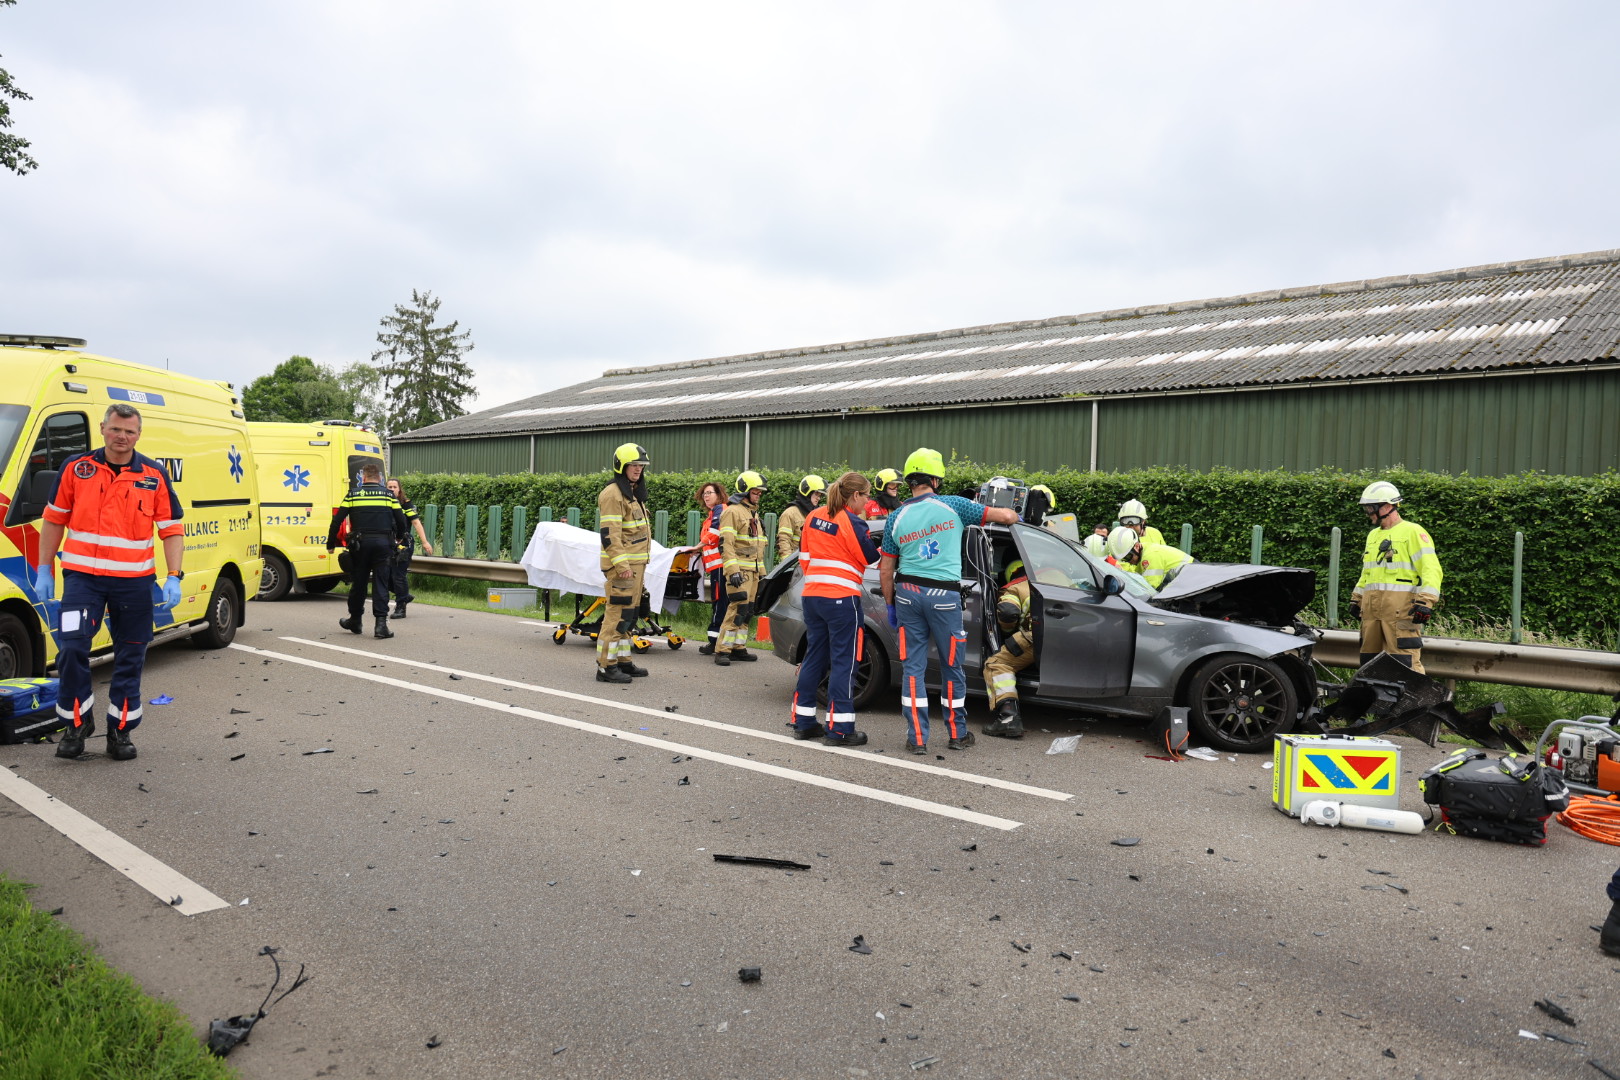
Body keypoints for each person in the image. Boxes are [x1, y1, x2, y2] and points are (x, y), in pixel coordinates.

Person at [33, 403, 183, 761]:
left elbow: (171, 529)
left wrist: (174, 576)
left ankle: (120, 731)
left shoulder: (153, 474)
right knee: (71, 649)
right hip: (83, 580)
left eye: (129, 432)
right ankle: (76, 724)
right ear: (103, 428)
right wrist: (43, 569)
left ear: (139, 435)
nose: (122, 437)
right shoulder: (77, 468)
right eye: (116, 429)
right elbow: (54, 520)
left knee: (131, 655)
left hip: (134, 583)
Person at [879, 448, 1018, 753]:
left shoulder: (895, 518)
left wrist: (890, 605)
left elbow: (886, 568)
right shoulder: (954, 505)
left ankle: (916, 739)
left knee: (912, 668)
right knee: (951, 666)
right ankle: (957, 734)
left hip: (908, 596)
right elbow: (1006, 516)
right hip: (944, 597)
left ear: (910, 481)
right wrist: (1017, 513)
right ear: (934, 480)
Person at [789, 472, 878, 745]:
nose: (868, 501)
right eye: (866, 495)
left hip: (813, 595)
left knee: (815, 657)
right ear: (855, 496)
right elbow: (871, 558)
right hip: (841, 599)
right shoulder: (853, 521)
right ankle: (840, 730)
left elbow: (803, 556)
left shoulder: (814, 515)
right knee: (845, 662)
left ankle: (803, 722)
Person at [1349, 480, 1442, 673]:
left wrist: (1426, 602)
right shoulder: (1373, 535)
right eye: (1366, 508)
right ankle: (1377, 703)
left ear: (1389, 506)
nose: (1368, 512)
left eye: (1371, 507)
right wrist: (1357, 598)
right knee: (1370, 665)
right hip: (1371, 613)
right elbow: (1367, 573)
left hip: (1400, 612)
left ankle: (1416, 703)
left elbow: (1431, 568)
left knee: (1405, 665)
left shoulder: (1413, 531)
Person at [327, 462, 408, 639]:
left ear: (363, 478)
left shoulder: (353, 494)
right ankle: (380, 626)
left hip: (360, 545)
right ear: (379, 478)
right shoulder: (388, 495)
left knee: (359, 583)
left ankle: (355, 620)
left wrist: (330, 543)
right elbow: (401, 519)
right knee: (381, 583)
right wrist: (400, 537)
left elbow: (337, 520)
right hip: (383, 545)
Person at [594, 444, 653, 683]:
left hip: (635, 568)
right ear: (622, 466)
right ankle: (605, 667)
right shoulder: (612, 494)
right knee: (616, 616)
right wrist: (622, 566)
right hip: (623, 569)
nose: (638, 469)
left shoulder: (632, 493)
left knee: (629, 615)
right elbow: (610, 535)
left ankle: (623, 661)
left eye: (640, 466)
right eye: (633, 465)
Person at [715, 471, 768, 666]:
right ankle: (722, 650)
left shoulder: (753, 512)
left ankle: (738, 647)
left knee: (748, 611)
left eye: (760, 493)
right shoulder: (732, 512)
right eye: (755, 492)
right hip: (739, 571)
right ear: (744, 491)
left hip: (753, 571)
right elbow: (726, 544)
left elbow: (758, 547)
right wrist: (733, 570)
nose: (758, 495)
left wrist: (762, 574)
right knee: (737, 608)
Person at [981, 560, 1032, 739]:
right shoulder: (1058, 578)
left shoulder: (1016, 586)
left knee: (996, 663)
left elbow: (1008, 611)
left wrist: (1009, 634)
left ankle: (1008, 717)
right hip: (1069, 635)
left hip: (1036, 637)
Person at [384, 477, 433, 619]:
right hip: (387, 543)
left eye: (394, 487)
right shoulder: (383, 503)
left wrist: (425, 542)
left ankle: (401, 607)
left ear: (399, 490)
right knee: (386, 577)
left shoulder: (406, 504)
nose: (392, 489)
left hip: (404, 544)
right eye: (389, 487)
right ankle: (404, 595)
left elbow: (416, 523)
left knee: (398, 576)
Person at [695, 481, 729, 655]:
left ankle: (715, 641)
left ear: (719, 494)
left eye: (709, 492)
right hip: (716, 567)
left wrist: (697, 547)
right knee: (720, 602)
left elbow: (714, 534)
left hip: (720, 566)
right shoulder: (711, 515)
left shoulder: (720, 510)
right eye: (704, 494)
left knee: (719, 602)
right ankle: (720, 641)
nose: (706, 496)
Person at [1105, 526, 1192, 590]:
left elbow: (1151, 590)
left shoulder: (1150, 556)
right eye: (1123, 559)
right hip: (1186, 577)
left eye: (1128, 557)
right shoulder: (1143, 554)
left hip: (1193, 576)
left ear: (1137, 546)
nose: (1128, 561)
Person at [776, 475, 826, 560]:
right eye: (816, 494)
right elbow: (784, 540)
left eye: (820, 495)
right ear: (807, 492)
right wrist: (788, 564)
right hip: (796, 565)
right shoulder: (790, 513)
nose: (818, 498)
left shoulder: (817, 514)